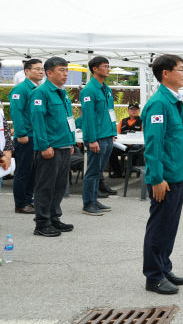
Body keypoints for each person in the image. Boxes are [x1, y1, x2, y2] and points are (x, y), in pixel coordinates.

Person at [142, 54, 183, 295]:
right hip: (165, 179)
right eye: (180, 69)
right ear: (165, 74)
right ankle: (154, 276)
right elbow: (154, 145)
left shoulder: (174, 101)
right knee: (159, 227)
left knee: (169, 226)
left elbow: (178, 139)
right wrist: (156, 178)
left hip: (178, 174)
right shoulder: (159, 103)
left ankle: (164, 267)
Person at [29, 57, 75, 237]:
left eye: (66, 70)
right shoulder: (40, 92)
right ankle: (42, 222)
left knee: (59, 186)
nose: (65, 73)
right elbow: (38, 120)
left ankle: (54, 217)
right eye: (61, 70)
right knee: (45, 186)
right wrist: (43, 145)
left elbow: (67, 119)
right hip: (50, 147)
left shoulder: (61, 92)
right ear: (49, 73)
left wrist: (71, 142)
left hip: (63, 145)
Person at [80, 56, 117, 216]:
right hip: (97, 137)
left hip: (108, 136)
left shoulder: (106, 89)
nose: (108, 69)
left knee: (99, 171)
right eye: (105, 66)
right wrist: (91, 139)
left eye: (109, 66)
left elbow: (110, 113)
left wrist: (113, 132)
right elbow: (88, 117)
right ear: (95, 69)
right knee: (93, 171)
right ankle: (88, 203)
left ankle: (94, 199)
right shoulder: (89, 90)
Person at [8, 58, 44, 214]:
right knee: (24, 170)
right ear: (27, 71)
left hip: (36, 135)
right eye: (37, 69)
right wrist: (21, 133)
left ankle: (29, 200)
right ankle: (21, 203)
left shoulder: (37, 89)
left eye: (42, 69)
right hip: (26, 136)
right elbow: (17, 113)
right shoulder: (20, 89)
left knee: (33, 171)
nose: (40, 72)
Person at [108, 102, 144, 177]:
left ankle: (128, 171)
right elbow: (117, 134)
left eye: (136, 109)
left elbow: (143, 135)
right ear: (128, 111)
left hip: (136, 145)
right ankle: (117, 171)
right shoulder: (122, 121)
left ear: (138, 111)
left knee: (136, 148)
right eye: (132, 109)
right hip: (123, 145)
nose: (134, 111)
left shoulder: (142, 121)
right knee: (110, 149)